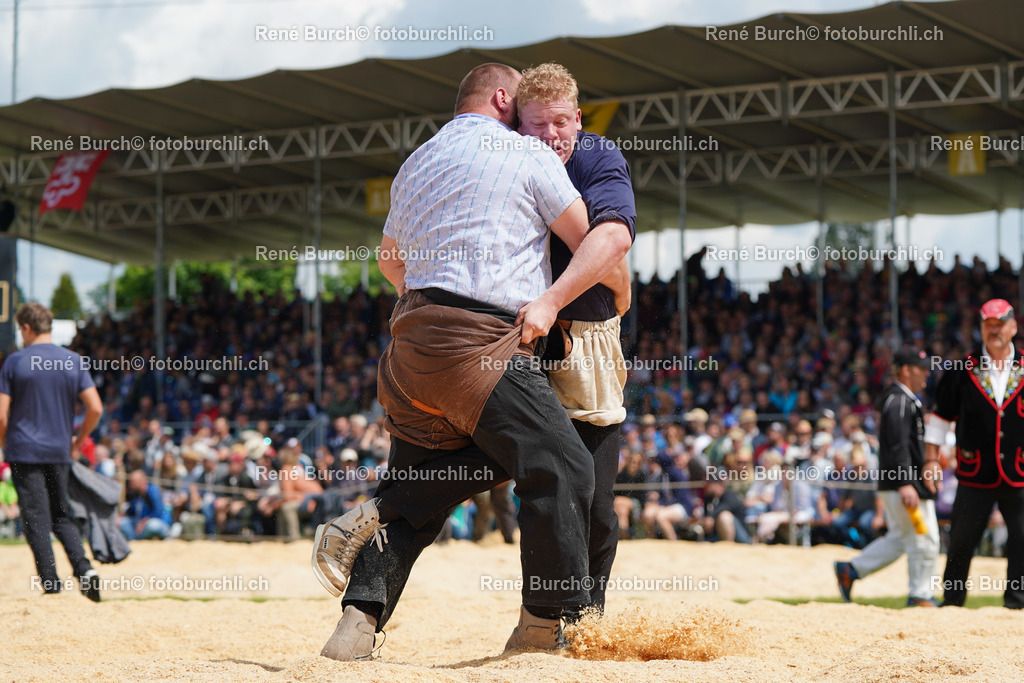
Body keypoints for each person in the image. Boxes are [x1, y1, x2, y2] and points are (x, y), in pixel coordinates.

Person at [312, 62, 630, 660]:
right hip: (484, 344)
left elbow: (388, 260)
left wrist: (436, 299)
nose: (534, 129)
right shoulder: (524, 153)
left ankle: (354, 628)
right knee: (561, 467)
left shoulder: (417, 162)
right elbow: (596, 241)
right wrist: (601, 293)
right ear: (504, 99)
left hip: (409, 347)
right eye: (524, 116)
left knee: (420, 482)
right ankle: (543, 628)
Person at [515, 61, 635, 610]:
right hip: (514, 338)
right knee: (544, 492)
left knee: (596, 502)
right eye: (536, 125)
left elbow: (614, 237)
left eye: (560, 122)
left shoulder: (598, 155)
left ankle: (589, 616)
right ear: (518, 124)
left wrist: (560, 295)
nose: (549, 137)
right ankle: (544, 615)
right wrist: (615, 276)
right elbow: (610, 256)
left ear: (578, 118)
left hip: (587, 338)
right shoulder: (505, 158)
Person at [0, 303, 103, 601]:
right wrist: (77, 441)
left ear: (27, 328)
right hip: (59, 450)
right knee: (62, 515)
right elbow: (95, 408)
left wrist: (6, 443)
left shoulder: (15, 363)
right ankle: (85, 570)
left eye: (21, 330)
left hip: (24, 450)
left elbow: (2, 416)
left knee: (35, 519)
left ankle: (52, 586)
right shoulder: (72, 361)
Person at [927, 299, 1024, 608]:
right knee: (961, 540)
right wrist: (931, 460)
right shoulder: (961, 369)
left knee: (1022, 538)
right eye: (988, 325)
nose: (994, 330)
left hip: (1019, 472)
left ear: (1013, 326)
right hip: (974, 470)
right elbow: (941, 418)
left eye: (999, 324)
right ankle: (952, 601)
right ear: (981, 327)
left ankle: (1017, 601)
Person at [834, 347, 939, 606]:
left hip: (895, 483)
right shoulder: (901, 401)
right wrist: (906, 482)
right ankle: (920, 594)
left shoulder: (898, 399)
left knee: (900, 538)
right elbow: (899, 445)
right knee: (924, 538)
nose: (926, 374)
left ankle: (852, 570)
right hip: (904, 483)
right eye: (921, 368)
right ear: (905, 370)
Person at [120, 470, 172, 540]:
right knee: (123, 522)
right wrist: (121, 516)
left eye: (132, 481)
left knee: (152, 525)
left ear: (140, 481)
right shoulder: (135, 494)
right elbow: (131, 510)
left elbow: (158, 512)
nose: (130, 484)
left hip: (158, 523)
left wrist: (143, 522)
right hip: (140, 524)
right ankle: (134, 540)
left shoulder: (153, 491)